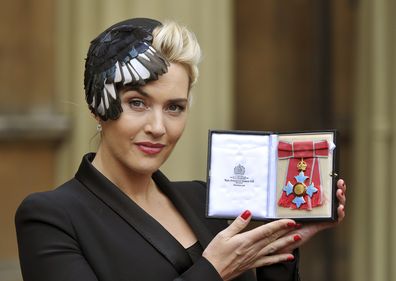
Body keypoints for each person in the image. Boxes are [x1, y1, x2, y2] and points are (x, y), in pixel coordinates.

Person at [15, 18, 347, 281]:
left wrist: (278, 248)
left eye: (174, 107)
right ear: (97, 106)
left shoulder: (209, 201)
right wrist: (212, 271)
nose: (158, 127)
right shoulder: (51, 217)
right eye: (137, 103)